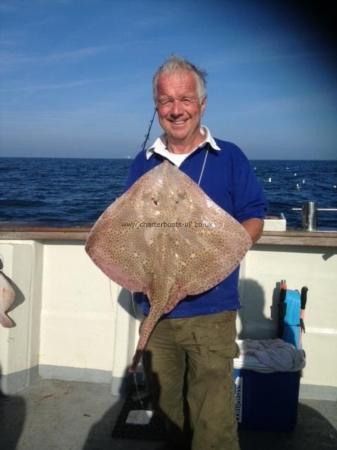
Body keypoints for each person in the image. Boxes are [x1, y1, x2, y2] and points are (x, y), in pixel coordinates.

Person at [125, 56, 267, 450]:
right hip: (157, 310)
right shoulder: (143, 162)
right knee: (168, 415)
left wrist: (219, 257)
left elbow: (254, 215)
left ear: (202, 105)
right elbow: (127, 229)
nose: (176, 109)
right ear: (157, 107)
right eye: (166, 100)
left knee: (213, 419)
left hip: (212, 309)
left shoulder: (230, 156)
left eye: (185, 98)